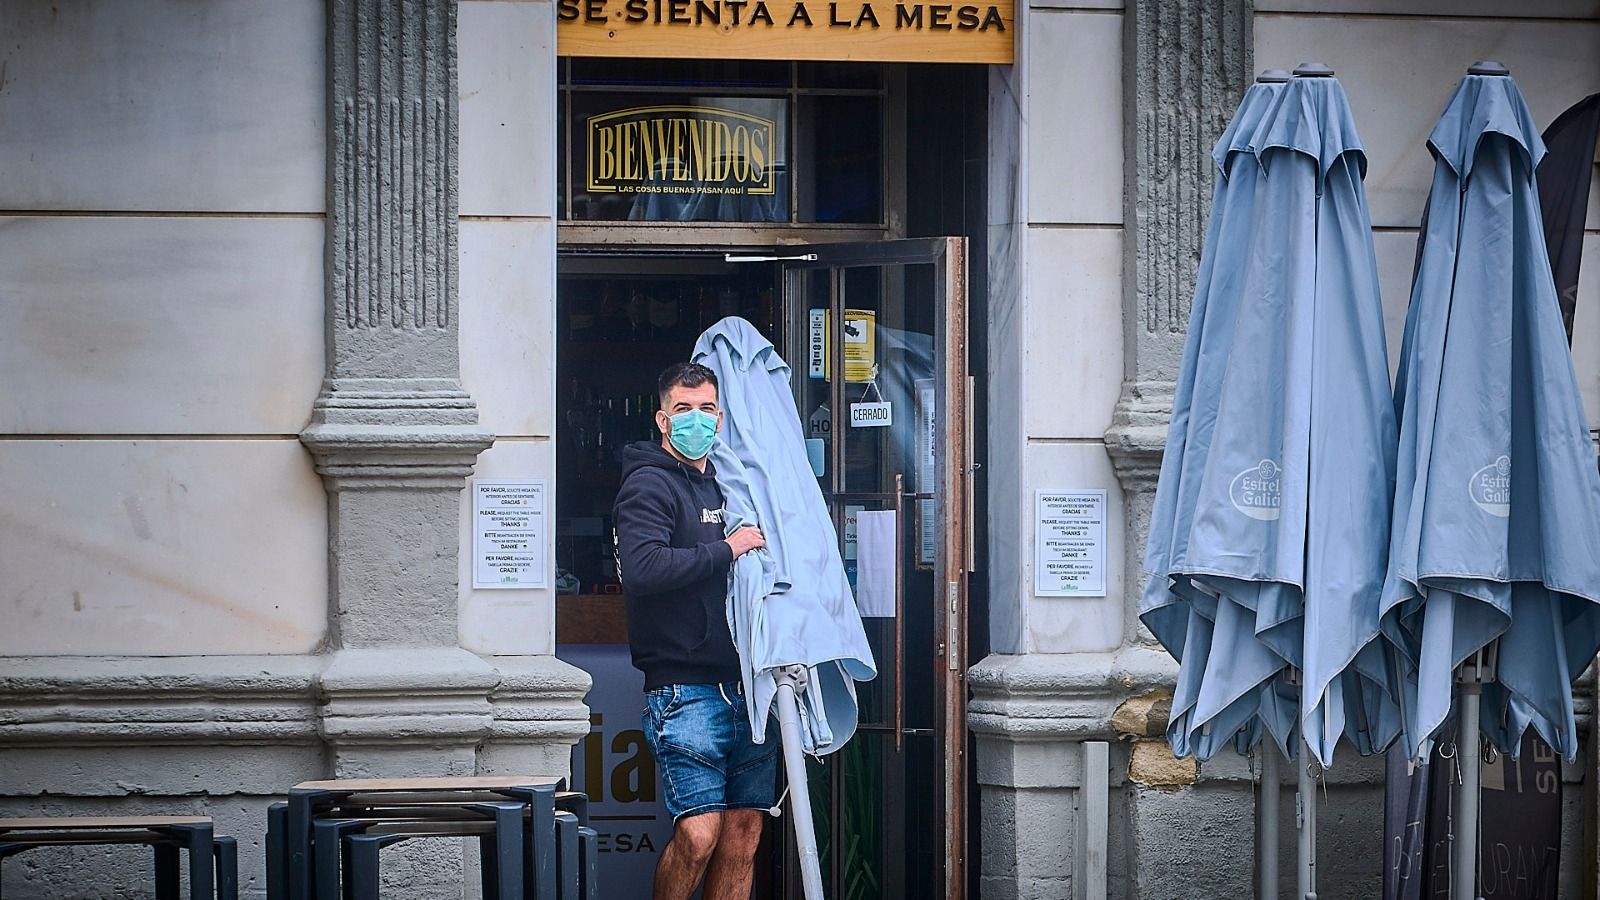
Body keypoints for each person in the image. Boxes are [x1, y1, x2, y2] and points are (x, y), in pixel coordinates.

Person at [613, 361, 772, 900]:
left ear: (721, 417)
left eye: (706, 408)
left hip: (751, 689)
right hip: (684, 691)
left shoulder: (733, 486)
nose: (696, 419)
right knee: (699, 833)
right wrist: (727, 549)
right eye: (683, 409)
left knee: (743, 836)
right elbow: (643, 569)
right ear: (662, 419)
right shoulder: (648, 485)